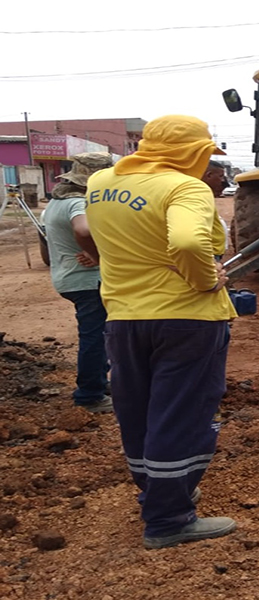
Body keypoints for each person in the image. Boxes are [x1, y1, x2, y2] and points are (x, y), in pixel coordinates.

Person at [84, 115, 238, 549]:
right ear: (191, 153)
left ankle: (156, 491)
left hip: (124, 316)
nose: (207, 161)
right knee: (181, 413)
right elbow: (189, 243)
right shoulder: (184, 187)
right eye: (205, 153)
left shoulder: (100, 182)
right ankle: (169, 518)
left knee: (137, 410)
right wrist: (205, 279)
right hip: (186, 318)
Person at [42, 152, 115, 414]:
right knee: (95, 337)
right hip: (86, 280)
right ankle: (90, 395)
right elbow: (83, 230)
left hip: (68, 277)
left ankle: (98, 382)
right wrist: (97, 256)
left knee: (99, 334)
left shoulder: (56, 200)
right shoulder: (78, 202)